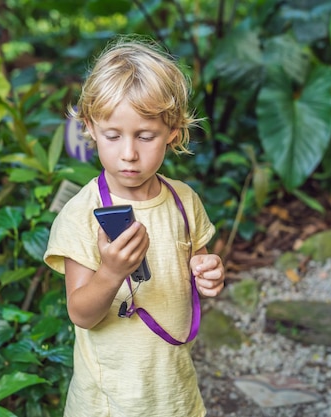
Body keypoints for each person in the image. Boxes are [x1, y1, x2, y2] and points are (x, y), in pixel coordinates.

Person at [44, 36, 225, 417]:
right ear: (91, 128)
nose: (128, 152)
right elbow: (81, 314)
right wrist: (111, 272)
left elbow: (199, 264)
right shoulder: (81, 214)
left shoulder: (184, 200)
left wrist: (209, 272)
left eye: (145, 136)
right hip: (110, 403)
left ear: (173, 131)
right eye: (113, 136)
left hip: (173, 394)